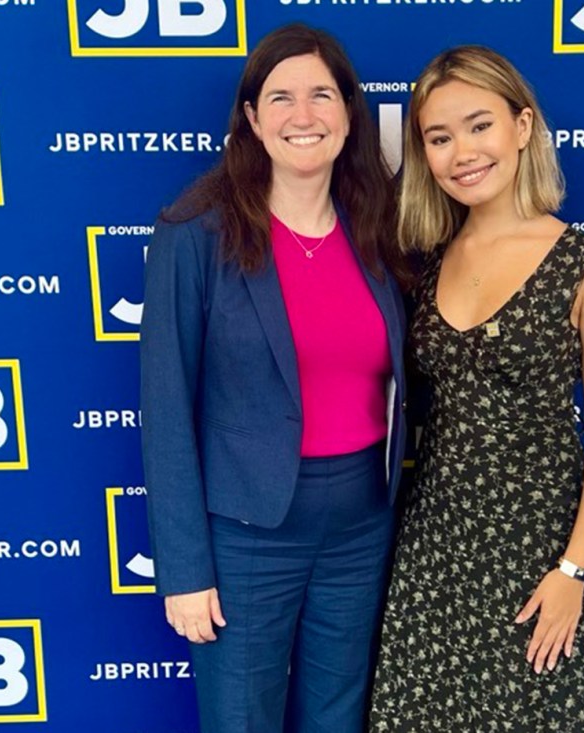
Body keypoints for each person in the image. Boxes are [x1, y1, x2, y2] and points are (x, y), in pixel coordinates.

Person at [140, 23, 408, 733]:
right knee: (240, 718)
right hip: (248, 531)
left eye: (322, 94)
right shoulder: (194, 232)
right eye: (280, 97)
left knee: (337, 714)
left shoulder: (379, 224)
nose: (303, 114)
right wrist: (186, 570)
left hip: (361, 521)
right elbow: (165, 408)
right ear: (253, 119)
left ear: (350, 114)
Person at [369, 46, 584, 732]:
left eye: (479, 125)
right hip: (433, 549)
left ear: (522, 127)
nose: (463, 151)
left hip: (535, 549)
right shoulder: (426, 261)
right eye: (439, 137)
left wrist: (573, 571)